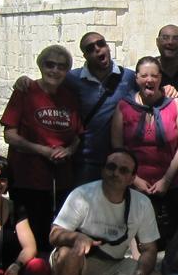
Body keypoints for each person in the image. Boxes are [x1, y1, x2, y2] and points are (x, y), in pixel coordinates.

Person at [48, 149, 165, 275]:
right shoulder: (82, 195)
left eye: (123, 170)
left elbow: (149, 249)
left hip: (113, 264)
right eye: (111, 167)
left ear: (132, 178)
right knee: (67, 253)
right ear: (102, 170)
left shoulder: (141, 203)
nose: (115, 173)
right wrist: (77, 236)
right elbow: (54, 235)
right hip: (79, 264)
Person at [1, 44, 82, 254]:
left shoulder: (69, 97)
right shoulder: (25, 92)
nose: (55, 70)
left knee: (57, 233)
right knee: (28, 237)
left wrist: (69, 151)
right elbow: (10, 135)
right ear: (40, 66)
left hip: (61, 180)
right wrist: (42, 150)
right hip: (27, 178)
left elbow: (77, 137)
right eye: (50, 64)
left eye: (62, 66)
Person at [111, 56, 178, 245]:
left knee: (177, 238)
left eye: (154, 75)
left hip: (174, 181)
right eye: (144, 75)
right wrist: (134, 179)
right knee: (141, 239)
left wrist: (167, 179)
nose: (149, 79)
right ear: (137, 78)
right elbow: (118, 147)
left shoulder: (175, 105)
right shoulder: (124, 107)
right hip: (135, 183)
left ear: (160, 79)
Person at [56, 32, 136, 186]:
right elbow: (46, 88)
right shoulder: (72, 79)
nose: (98, 49)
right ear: (85, 55)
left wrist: (168, 88)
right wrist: (24, 81)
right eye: (91, 48)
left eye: (101, 44)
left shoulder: (129, 77)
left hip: (118, 161)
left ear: (107, 47)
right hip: (84, 161)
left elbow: (151, 88)